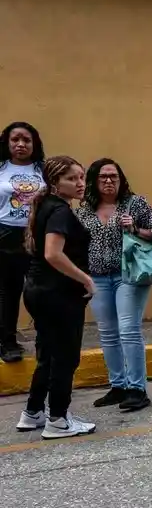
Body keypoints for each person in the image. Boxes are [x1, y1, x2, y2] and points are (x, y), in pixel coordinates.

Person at [14, 156, 97, 439]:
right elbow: (52, 253)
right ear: (54, 182)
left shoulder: (47, 206)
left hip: (39, 291)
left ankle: (33, 412)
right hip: (57, 295)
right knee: (64, 357)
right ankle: (58, 419)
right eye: (71, 178)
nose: (79, 183)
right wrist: (85, 278)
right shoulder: (60, 211)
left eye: (81, 177)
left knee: (48, 354)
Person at [76, 159, 152, 412]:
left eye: (114, 176)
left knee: (128, 329)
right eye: (103, 177)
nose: (108, 181)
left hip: (129, 275)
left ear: (121, 179)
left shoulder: (135, 204)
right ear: (94, 180)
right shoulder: (83, 210)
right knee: (107, 332)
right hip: (97, 277)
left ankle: (137, 388)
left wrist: (135, 228)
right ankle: (118, 386)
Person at [0, 122, 46, 363]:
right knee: (8, 291)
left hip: (37, 235)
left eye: (26, 140)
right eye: (15, 139)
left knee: (39, 290)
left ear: (34, 144)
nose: (20, 144)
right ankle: (7, 342)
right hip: (5, 234)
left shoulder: (43, 170)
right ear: (7, 143)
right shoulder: (0, 168)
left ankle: (44, 341)